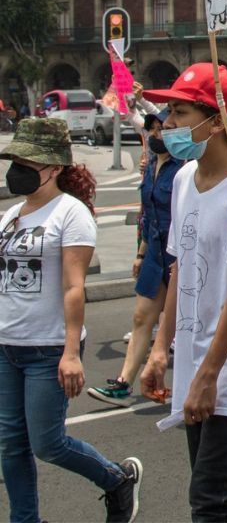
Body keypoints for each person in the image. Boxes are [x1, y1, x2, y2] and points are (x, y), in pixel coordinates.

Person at [138, 63, 227, 522]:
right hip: (193, 354)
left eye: (180, 113)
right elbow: (179, 267)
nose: (169, 125)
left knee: (210, 499)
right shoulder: (184, 179)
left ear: (216, 120)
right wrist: (161, 348)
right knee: (226, 483)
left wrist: (208, 374)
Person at [0, 118, 144, 523]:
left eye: (29, 160)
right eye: (16, 159)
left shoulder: (71, 212)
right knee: (11, 445)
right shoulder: (11, 215)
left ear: (54, 167)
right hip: (7, 344)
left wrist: (70, 352)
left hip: (47, 347)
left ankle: (117, 480)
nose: (19, 168)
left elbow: (73, 287)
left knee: (48, 443)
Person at [89, 112, 181, 408]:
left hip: (180, 253)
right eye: (154, 130)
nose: (157, 135)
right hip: (155, 250)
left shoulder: (187, 168)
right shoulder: (151, 165)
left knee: (188, 323)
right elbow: (146, 214)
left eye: (164, 129)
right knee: (142, 317)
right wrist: (141, 253)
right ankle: (123, 384)